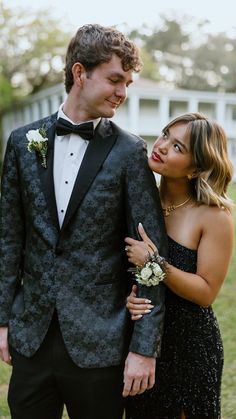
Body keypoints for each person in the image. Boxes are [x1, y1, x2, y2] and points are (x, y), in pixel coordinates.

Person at [0, 24, 168, 419]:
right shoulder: (22, 142)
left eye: (127, 82)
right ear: (80, 73)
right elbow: (8, 238)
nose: (123, 92)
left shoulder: (130, 152)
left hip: (102, 342)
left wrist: (144, 348)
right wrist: (3, 320)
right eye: (114, 79)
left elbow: (150, 258)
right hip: (32, 338)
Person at [124, 112, 234, 419]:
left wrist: (155, 263)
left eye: (177, 147)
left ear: (196, 167)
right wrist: (128, 298)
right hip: (143, 344)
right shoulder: (139, 201)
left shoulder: (215, 217)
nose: (160, 146)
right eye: (164, 135)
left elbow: (206, 292)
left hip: (190, 348)